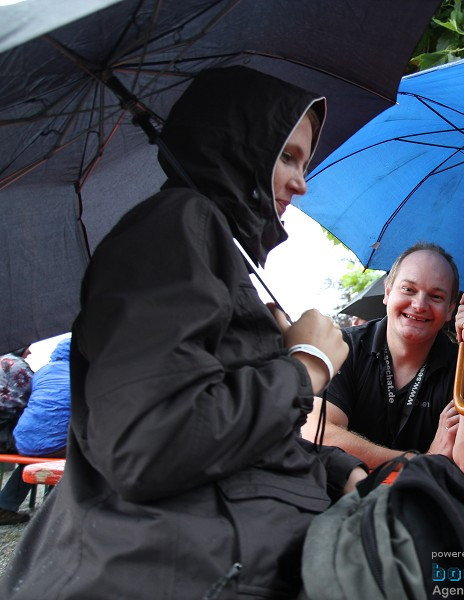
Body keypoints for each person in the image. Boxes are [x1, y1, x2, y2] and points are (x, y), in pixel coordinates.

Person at [0, 66, 366, 599]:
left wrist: (332, 468)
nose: (301, 182)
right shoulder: (178, 226)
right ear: (240, 143)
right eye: (287, 156)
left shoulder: (212, 244)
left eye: (304, 161)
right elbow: (150, 442)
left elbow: (220, 429)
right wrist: (306, 367)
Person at [305, 242, 464, 476]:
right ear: (388, 292)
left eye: (436, 296)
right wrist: (421, 461)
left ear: (451, 309)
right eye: (409, 290)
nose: (419, 305)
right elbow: (318, 435)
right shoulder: (343, 346)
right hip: (343, 502)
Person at [0, 338, 71, 525]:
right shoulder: (83, 373)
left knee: (38, 450)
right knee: (87, 452)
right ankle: (65, 509)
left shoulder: (43, 371)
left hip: (23, 441)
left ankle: (5, 505)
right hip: (49, 444)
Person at [0, 347, 33, 455]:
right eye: (27, 348)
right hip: (7, 427)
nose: (29, 352)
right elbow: (35, 393)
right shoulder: (16, 364)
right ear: (19, 348)